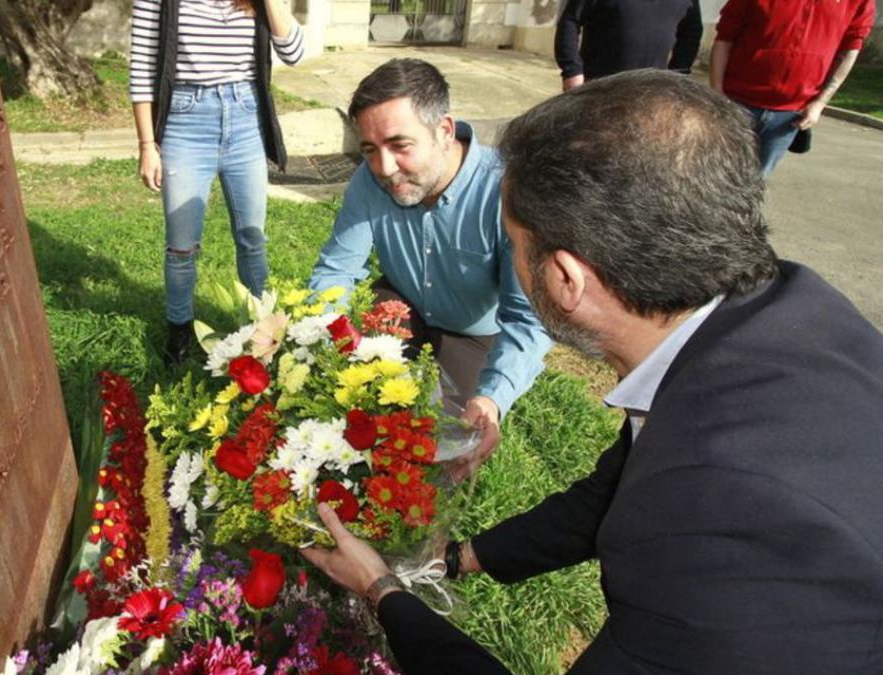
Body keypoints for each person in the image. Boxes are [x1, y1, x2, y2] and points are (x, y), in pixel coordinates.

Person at [301, 70, 883, 674]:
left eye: (512, 244)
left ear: (565, 279)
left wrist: (382, 591)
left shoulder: (712, 536)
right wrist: (462, 557)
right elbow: (615, 489)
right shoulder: (785, 312)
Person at [307, 59, 552, 477]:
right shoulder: (370, 182)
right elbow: (336, 272)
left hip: (473, 334)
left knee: (444, 449)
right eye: (369, 150)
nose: (384, 168)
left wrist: (492, 398)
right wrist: (312, 338)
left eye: (400, 145)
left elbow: (527, 319)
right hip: (398, 307)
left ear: (444, 130)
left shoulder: (509, 190)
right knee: (363, 417)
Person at [129, 0, 305, 365]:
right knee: (181, 246)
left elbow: (294, 52)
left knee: (252, 236)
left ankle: (263, 329)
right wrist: (148, 145)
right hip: (185, 121)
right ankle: (179, 332)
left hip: (245, 119)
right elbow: (143, 67)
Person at [710, 0, 876, 175]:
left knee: (756, 183)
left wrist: (820, 103)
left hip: (789, 115)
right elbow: (724, 40)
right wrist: (717, 94)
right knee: (712, 179)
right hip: (736, 104)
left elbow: (850, 49)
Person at [554, 0, 702, 92]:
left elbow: (692, 31)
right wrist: (572, 71)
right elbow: (570, 21)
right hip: (597, 87)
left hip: (651, 90)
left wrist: (677, 76)